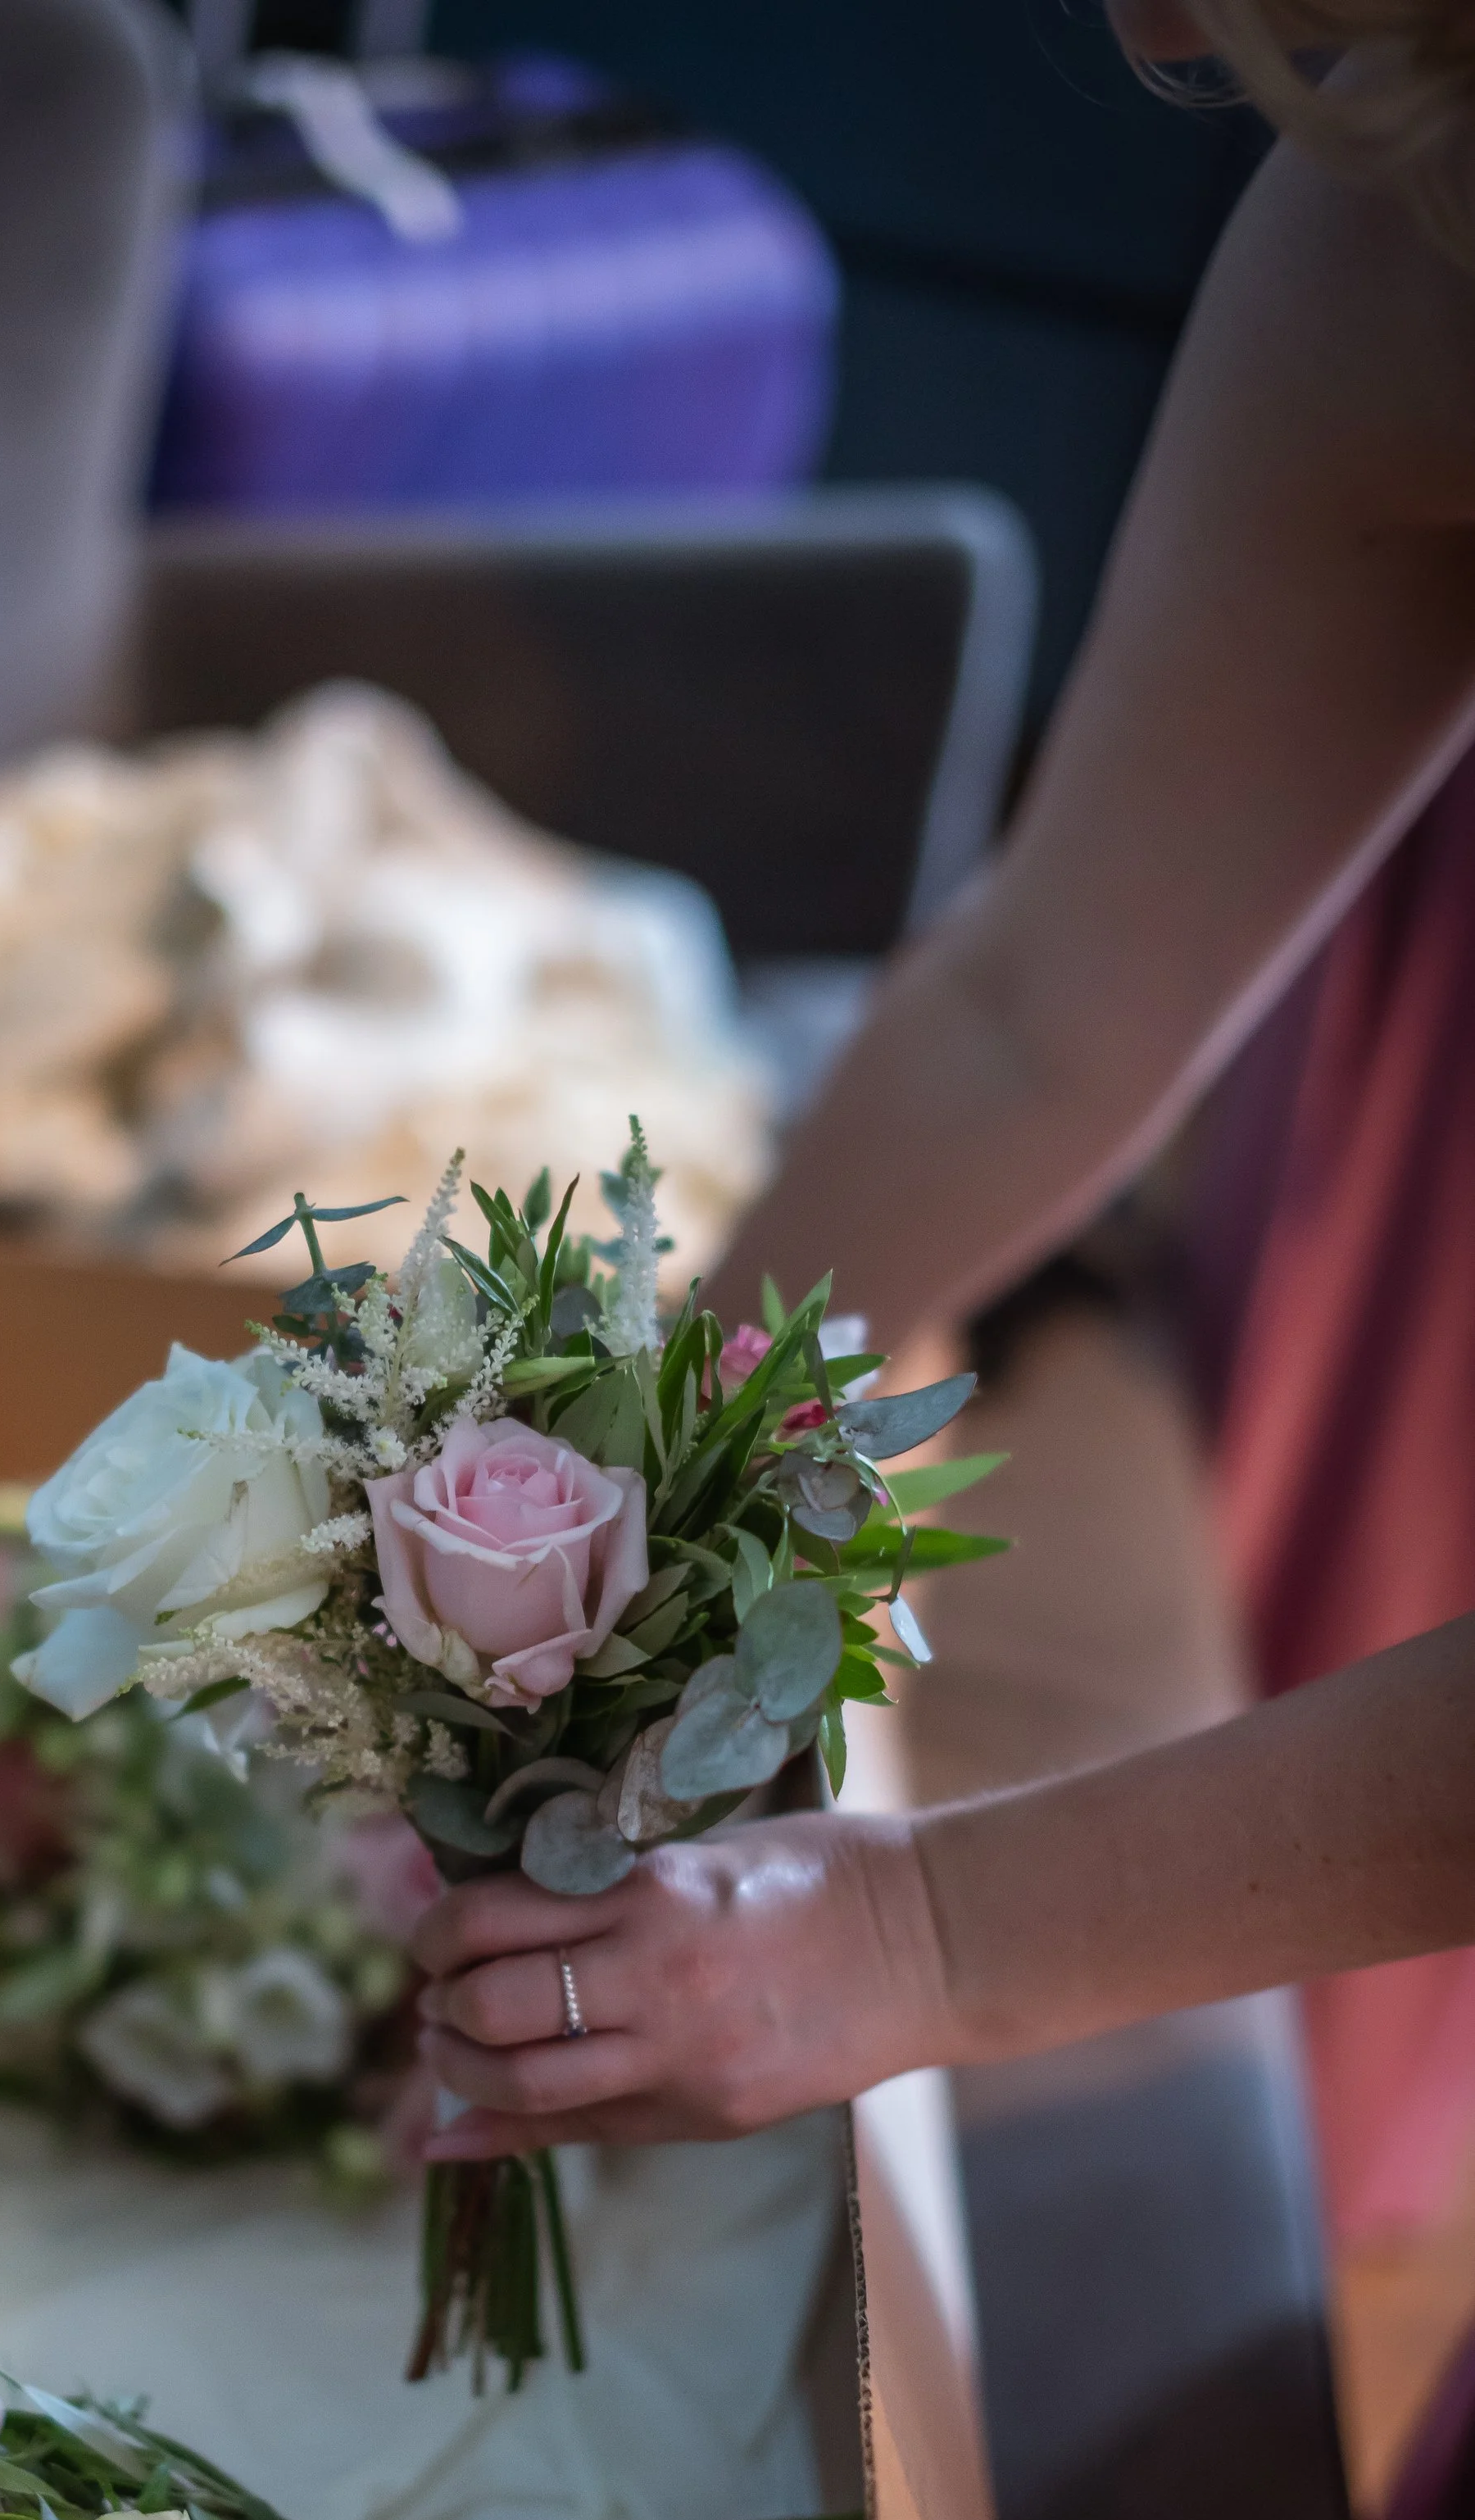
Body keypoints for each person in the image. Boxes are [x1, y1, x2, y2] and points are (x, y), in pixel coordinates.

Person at [412, 0, 1475, 2161]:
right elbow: (1040, 1007)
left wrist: (915, 1938)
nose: (1162, 32)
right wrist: (618, 1527)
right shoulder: (1390, 205)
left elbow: (910, 1938)